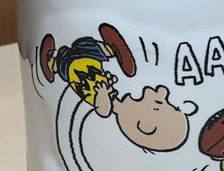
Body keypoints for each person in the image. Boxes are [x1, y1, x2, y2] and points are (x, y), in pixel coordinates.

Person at [39, 23, 194, 152]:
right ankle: (111, 49)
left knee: (68, 60)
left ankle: (51, 64)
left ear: (144, 126)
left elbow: (102, 110)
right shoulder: (115, 96)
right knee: (85, 49)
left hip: (82, 78)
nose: (163, 93)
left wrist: (102, 94)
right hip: (91, 70)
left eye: (158, 105)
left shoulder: (109, 105)